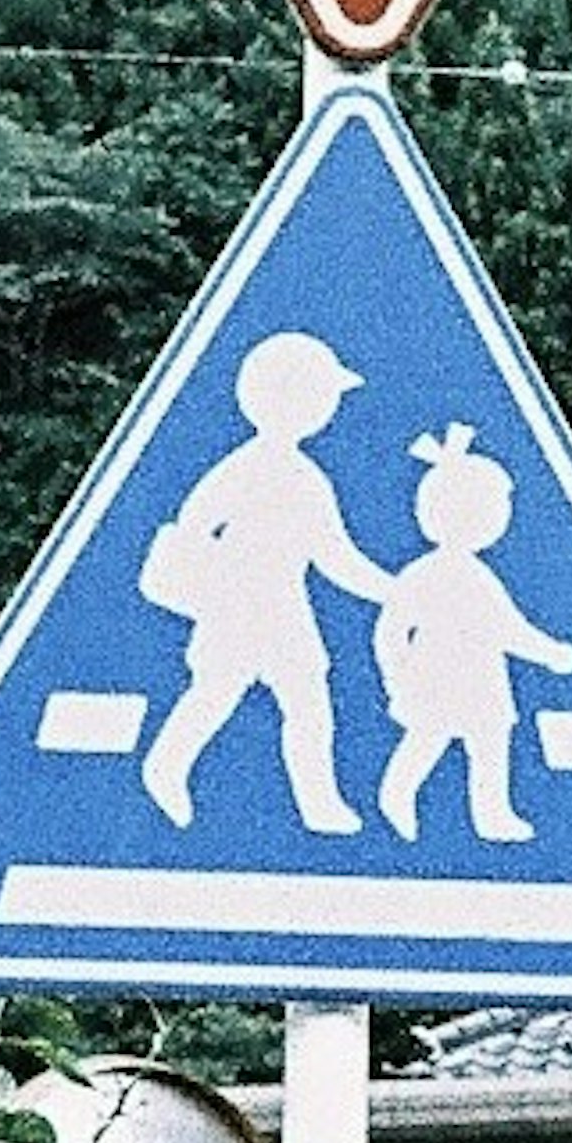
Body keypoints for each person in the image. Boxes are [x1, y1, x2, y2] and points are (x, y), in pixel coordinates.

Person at [133, 331, 391, 832]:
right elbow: (334, 557)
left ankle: (318, 805)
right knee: (225, 695)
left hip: (281, 612)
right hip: (240, 609)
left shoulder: (295, 474)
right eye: (325, 397)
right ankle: (166, 767)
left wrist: (391, 590)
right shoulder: (263, 471)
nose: (330, 408)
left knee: (301, 703)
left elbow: (333, 556)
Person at [373, 423, 572, 844]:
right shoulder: (426, 575)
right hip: (437, 679)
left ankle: (492, 814)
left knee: (490, 743)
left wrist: (550, 652)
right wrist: (396, 677)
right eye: (494, 507)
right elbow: (390, 632)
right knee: (427, 739)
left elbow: (508, 628)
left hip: (481, 683)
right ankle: (395, 796)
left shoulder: (479, 577)